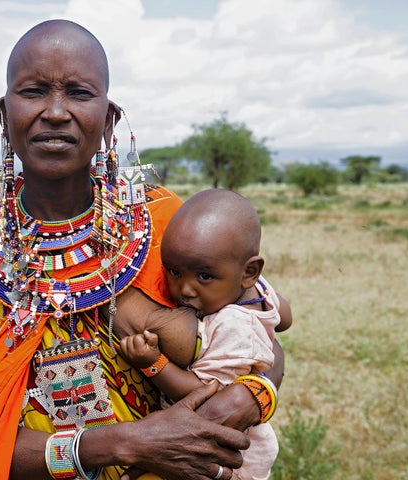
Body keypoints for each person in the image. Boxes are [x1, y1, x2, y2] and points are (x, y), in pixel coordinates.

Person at [0, 19, 286, 480]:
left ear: (109, 121)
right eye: (32, 91)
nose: (55, 111)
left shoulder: (167, 222)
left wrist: (252, 393)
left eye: (79, 93)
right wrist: (122, 443)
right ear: (3, 118)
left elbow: (258, 329)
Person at [116, 189, 293, 480]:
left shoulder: (232, 326)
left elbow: (204, 395)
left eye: (204, 276)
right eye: (173, 271)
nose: (184, 289)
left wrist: (153, 363)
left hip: (224, 457)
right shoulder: (258, 289)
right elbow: (283, 318)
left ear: (249, 271)